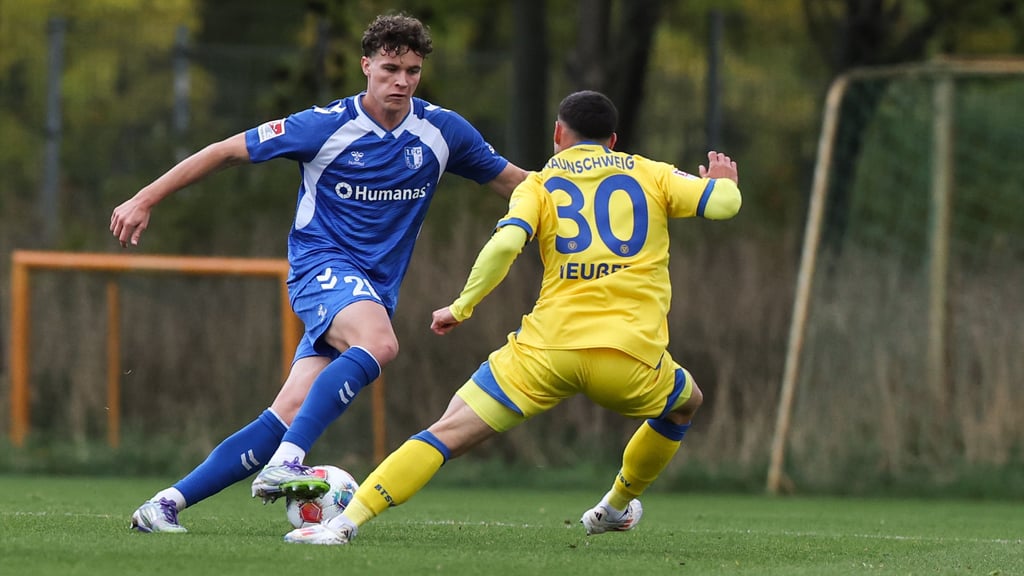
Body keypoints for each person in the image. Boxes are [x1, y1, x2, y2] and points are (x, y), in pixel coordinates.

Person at [113, 13, 529, 533]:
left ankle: (165, 505)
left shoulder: (442, 132)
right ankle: (287, 462)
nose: (401, 81)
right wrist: (145, 197)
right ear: (366, 66)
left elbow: (519, 184)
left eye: (413, 71)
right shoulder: (325, 125)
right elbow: (226, 152)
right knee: (381, 344)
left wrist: (585, 190)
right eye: (390, 68)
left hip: (372, 289)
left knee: (285, 412)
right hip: (321, 268)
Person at [282, 90, 742, 545]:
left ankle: (342, 525)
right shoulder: (651, 174)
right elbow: (723, 206)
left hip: (545, 352)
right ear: (614, 140)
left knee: (445, 434)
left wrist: (461, 306)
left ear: (558, 133)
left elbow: (504, 246)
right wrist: (723, 182)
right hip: (629, 358)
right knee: (685, 404)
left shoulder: (538, 184)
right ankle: (615, 506)